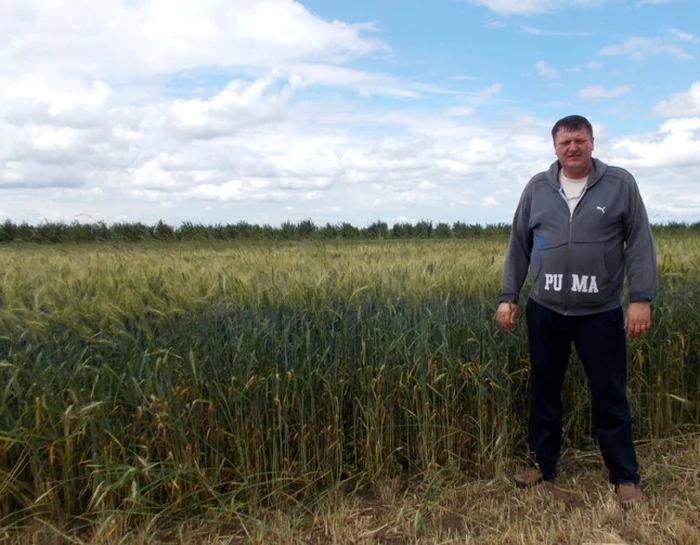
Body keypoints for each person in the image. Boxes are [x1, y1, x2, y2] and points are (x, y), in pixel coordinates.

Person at [495, 114, 656, 508]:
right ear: (555, 147)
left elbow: (638, 241)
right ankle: (542, 464)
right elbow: (519, 244)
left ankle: (624, 475)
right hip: (545, 309)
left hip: (600, 312)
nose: (572, 148)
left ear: (592, 143)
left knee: (609, 393)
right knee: (545, 390)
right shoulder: (537, 188)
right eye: (565, 142)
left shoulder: (620, 184)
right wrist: (508, 295)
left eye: (579, 140)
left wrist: (641, 298)